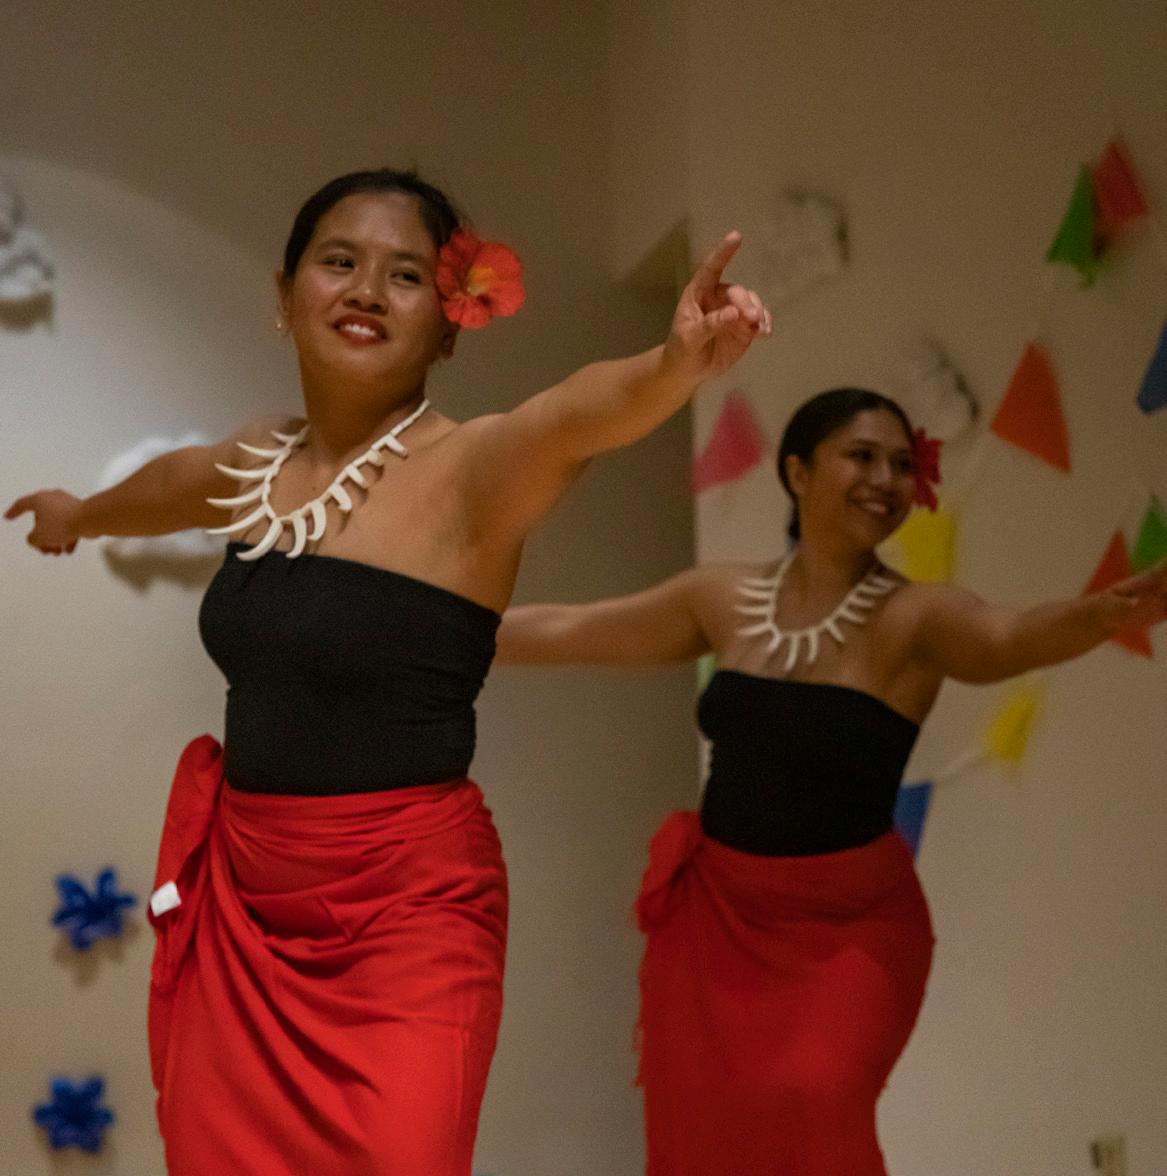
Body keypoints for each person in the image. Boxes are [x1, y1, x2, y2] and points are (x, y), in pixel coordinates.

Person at [4, 168, 771, 1176]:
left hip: (405, 917)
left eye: (406, 275)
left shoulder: (474, 472)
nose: (366, 290)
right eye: (340, 262)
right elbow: (174, 486)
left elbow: (575, 415)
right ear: (286, 294)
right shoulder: (254, 464)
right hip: (245, 914)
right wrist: (81, 515)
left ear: (449, 324)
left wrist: (673, 366)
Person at [495, 386, 1167, 1176]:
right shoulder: (721, 597)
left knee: (815, 1102)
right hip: (717, 918)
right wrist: (433, 630)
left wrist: (1102, 614)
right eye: (861, 456)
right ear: (797, 472)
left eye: (901, 464)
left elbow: (1008, 634)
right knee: (702, 1124)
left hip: (850, 930)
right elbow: (574, 629)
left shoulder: (918, 617)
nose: (886, 479)